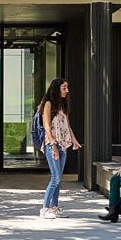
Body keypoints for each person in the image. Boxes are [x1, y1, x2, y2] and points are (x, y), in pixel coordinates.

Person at [38, 78, 81, 219]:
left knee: (58, 178)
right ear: (56, 89)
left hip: (63, 145)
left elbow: (67, 126)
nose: (67, 90)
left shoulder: (63, 105)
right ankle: (44, 208)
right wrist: (53, 146)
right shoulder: (48, 104)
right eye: (64, 88)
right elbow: (46, 127)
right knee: (55, 177)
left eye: (67, 87)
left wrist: (74, 141)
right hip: (52, 145)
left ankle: (54, 208)